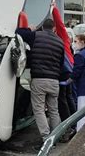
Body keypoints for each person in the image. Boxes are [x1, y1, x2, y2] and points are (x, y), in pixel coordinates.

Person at [16, 18, 65, 147]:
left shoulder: (35, 36)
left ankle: (46, 139)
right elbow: (61, 63)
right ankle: (55, 137)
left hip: (39, 79)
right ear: (54, 28)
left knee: (39, 110)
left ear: (42, 27)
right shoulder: (60, 42)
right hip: (54, 81)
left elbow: (18, 32)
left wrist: (29, 29)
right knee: (54, 110)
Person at [50, 4, 77, 142]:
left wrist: (54, 9)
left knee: (62, 100)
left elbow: (59, 24)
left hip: (63, 71)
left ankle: (69, 127)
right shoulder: (65, 40)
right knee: (69, 97)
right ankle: (74, 124)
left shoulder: (61, 36)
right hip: (69, 70)